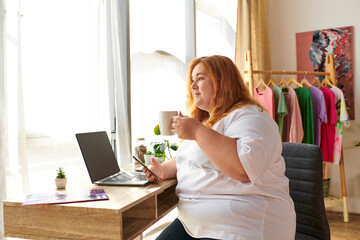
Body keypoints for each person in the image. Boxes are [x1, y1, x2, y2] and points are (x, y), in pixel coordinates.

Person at [143, 55, 296, 240]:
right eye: (192, 80)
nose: (193, 86)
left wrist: (197, 131)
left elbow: (243, 169)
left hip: (241, 225)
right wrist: (162, 169)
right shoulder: (207, 122)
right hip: (192, 223)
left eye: (200, 78)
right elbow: (188, 158)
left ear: (223, 81)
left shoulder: (252, 117)